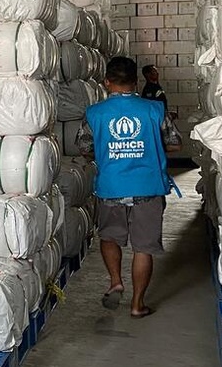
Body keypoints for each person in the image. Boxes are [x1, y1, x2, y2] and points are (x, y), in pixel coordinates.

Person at [77, 56, 181, 319]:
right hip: (148, 187)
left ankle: (115, 281)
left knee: (109, 237)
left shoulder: (94, 113)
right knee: (143, 247)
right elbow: (175, 143)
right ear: (135, 82)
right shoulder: (155, 109)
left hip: (111, 187)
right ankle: (137, 304)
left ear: (106, 82)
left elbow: (85, 147)